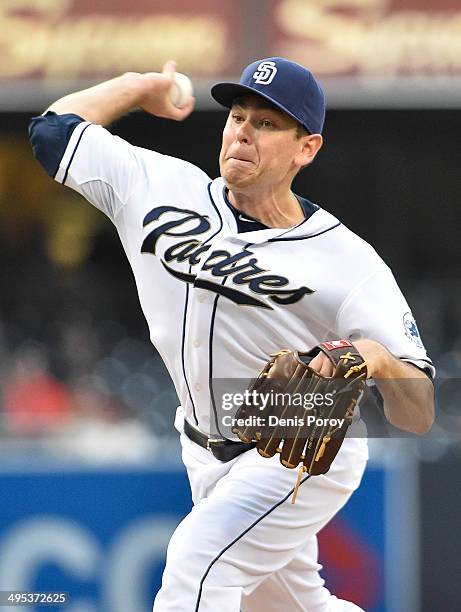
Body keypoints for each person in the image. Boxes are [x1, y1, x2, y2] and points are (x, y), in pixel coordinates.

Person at [29, 57, 435, 612]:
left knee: (196, 568)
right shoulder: (160, 186)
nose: (243, 131)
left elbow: (418, 413)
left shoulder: (349, 261)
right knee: (293, 605)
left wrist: (375, 358)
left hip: (299, 445)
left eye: (267, 123)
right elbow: (52, 130)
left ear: (306, 148)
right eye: (237, 116)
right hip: (202, 445)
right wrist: (138, 86)